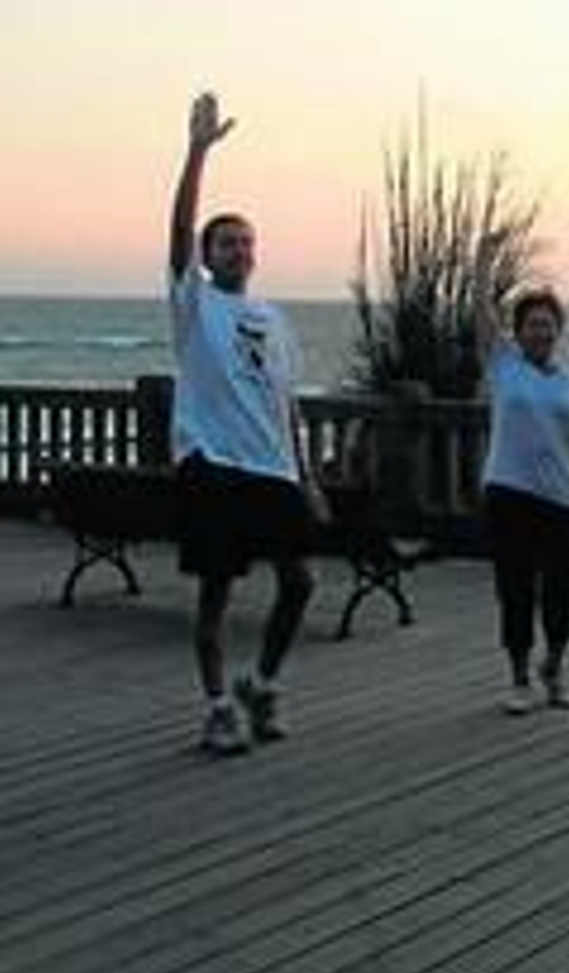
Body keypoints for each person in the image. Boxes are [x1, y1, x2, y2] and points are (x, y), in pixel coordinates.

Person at [167, 93, 322, 756]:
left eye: (247, 243)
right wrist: (198, 150)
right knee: (215, 600)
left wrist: (307, 474)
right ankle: (216, 707)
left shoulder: (274, 318)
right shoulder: (194, 303)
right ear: (207, 256)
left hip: (273, 469)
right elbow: (176, 233)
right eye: (227, 242)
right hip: (214, 465)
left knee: (301, 581)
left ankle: (261, 683)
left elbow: (287, 403)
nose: (240, 250)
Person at [472, 231, 569, 714]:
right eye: (532, 325)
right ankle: (518, 677)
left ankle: (554, 665)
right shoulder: (504, 366)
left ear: (559, 329)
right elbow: (481, 314)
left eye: (548, 325)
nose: (540, 332)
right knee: (515, 589)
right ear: (519, 330)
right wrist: (485, 258)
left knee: (561, 593)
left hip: (565, 501)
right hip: (509, 494)